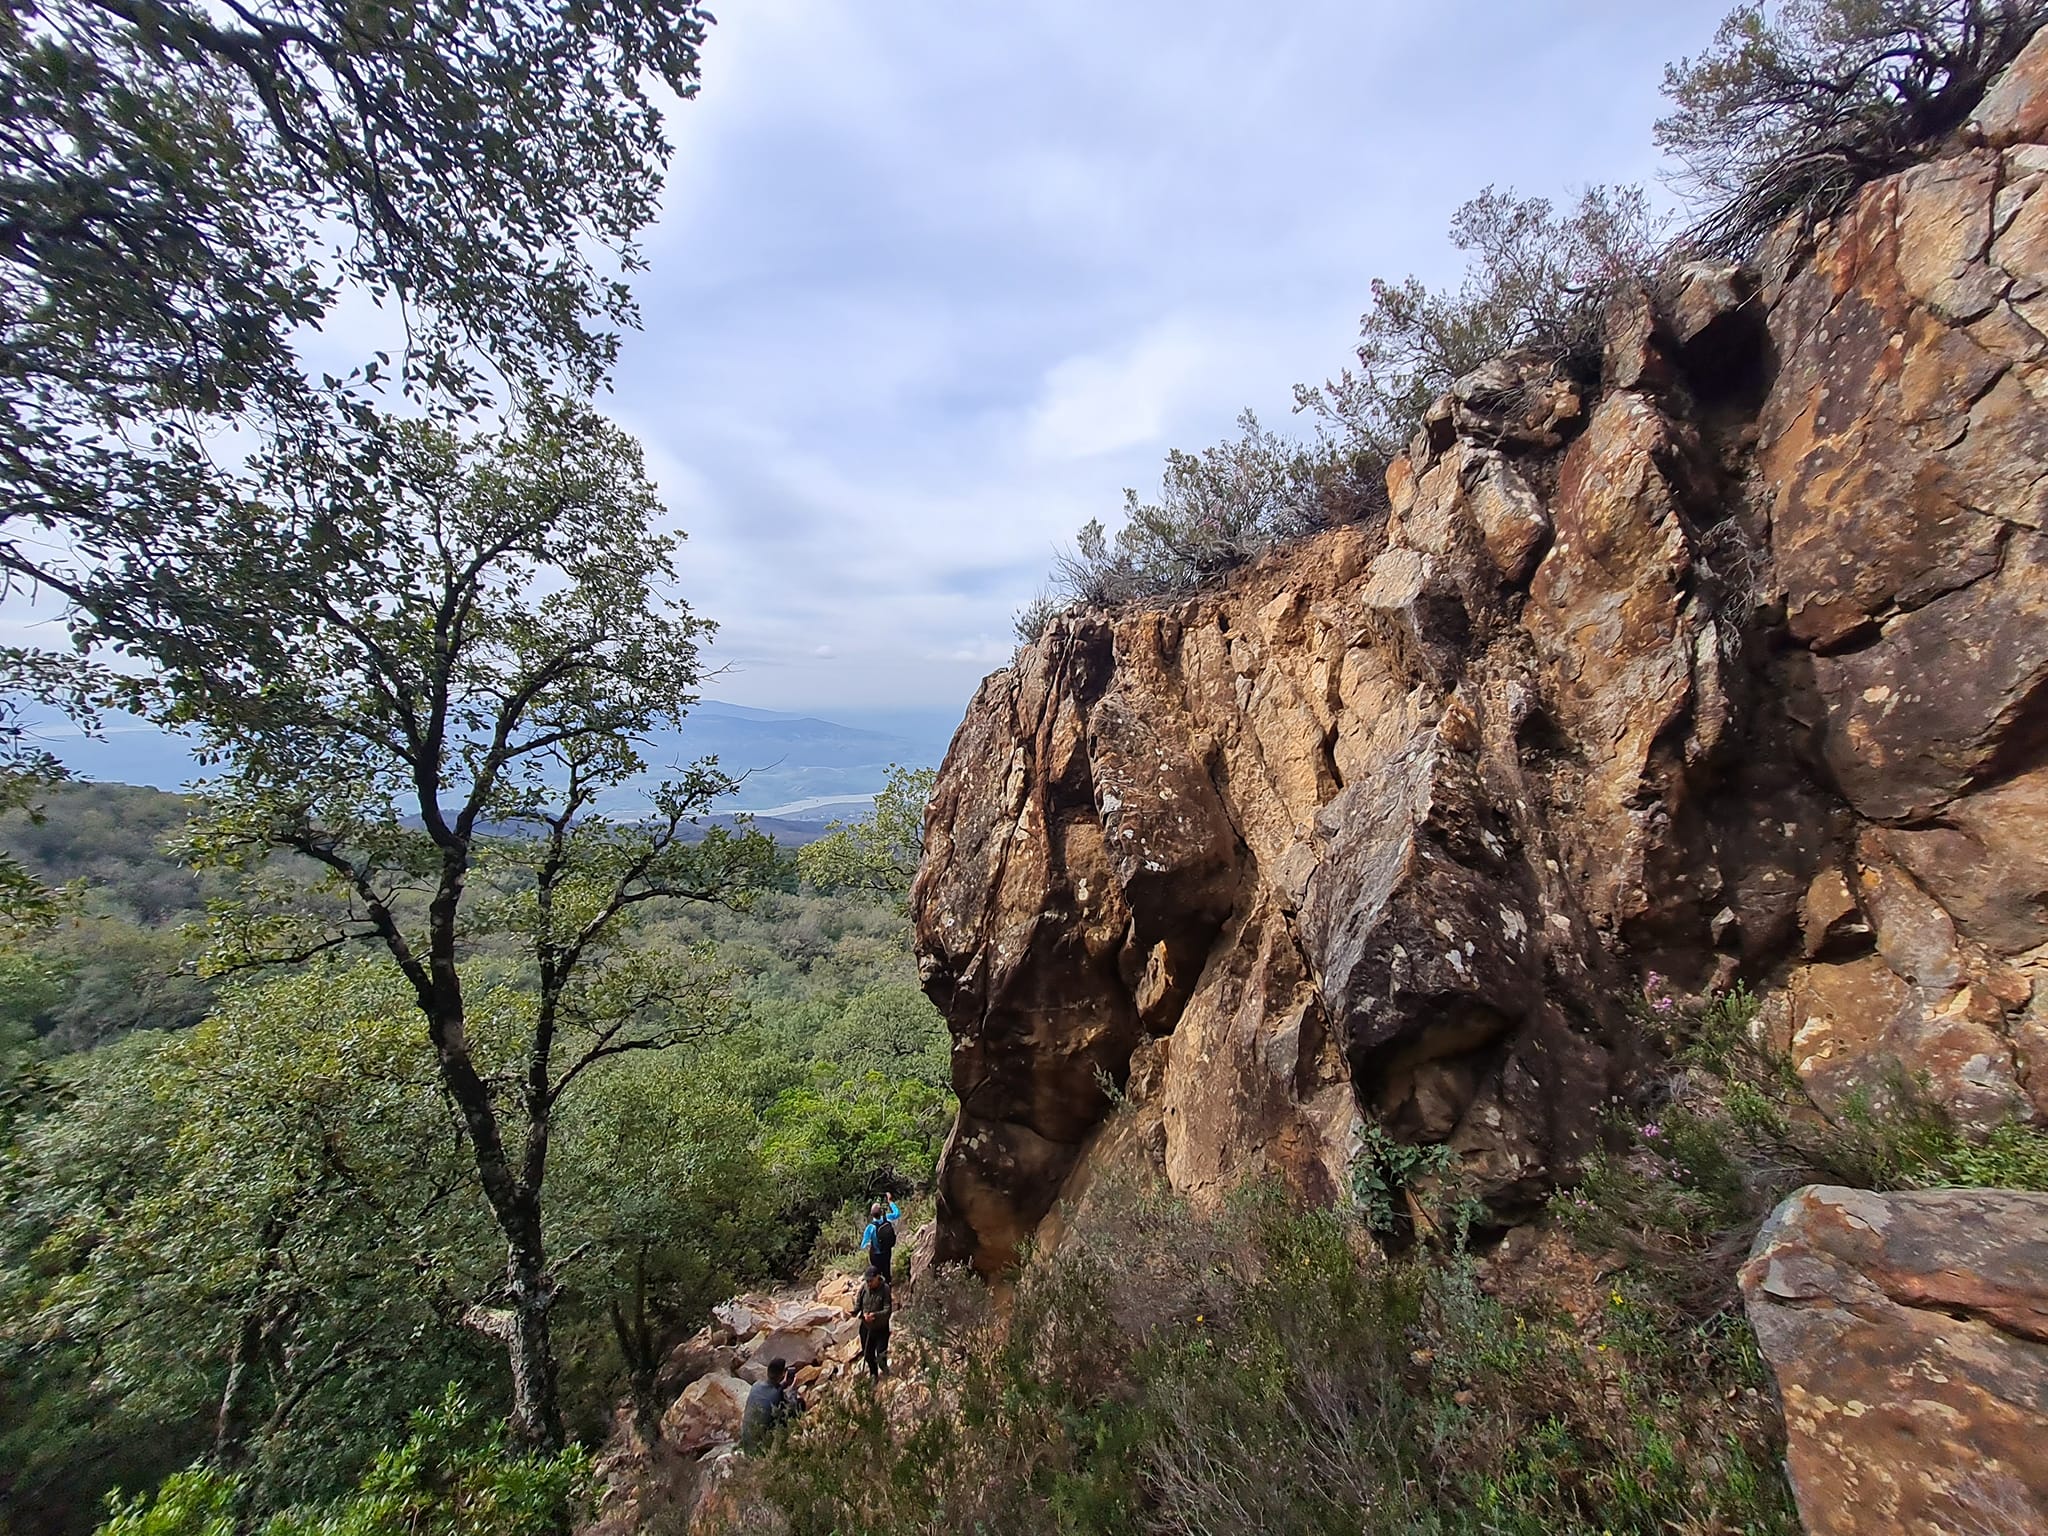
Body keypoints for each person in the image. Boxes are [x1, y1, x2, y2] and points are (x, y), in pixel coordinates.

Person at [739, 1357, 801, 1451]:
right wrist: (793, 1389)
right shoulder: (776, 1395)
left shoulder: (756, 1385)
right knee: (800, 1405)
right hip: (761, 1445)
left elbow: (772, 1390)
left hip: (747, 1441)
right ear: (782, 1374)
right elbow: (791, 1406)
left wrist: (784, 1384)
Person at [857, 1268, 893, 1379]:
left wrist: (875, 1315)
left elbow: (888, 1310)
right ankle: (874, 1374)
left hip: (881, 1328)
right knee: (868, 1354)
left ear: (878, 1278)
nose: (869, 1283)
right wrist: (860, 1315)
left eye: (871, 1281)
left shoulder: (885, 1289)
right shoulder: (864, 1288)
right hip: (866, 1327)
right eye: (867, 1281)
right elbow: (858, 1305)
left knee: (881, 1354)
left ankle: (885, 1371)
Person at [861, 1197, 900, 1279]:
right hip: (887, 1252)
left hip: (875, 1256)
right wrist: (890, 1201)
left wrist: (868, 1244)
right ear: (881, 1212)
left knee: (876, 1275)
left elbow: (863, 1245)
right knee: (887, 1272)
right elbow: (897, 1213)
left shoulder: (870, 1228)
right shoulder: (888, 1218)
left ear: (871, 1215)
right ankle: (888, 1285)